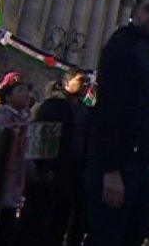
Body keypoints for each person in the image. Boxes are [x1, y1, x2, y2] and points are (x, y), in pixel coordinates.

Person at [85, 0, 149, 246]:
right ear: (134, 13)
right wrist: (111, 170)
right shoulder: (122, 45)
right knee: (108, 235)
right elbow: (110, 108)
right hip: (118, 166)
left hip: (140, 166)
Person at [16, 69, 92, 246]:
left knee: (58, 224)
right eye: (81, 81)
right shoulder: (52, 106)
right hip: (50, 174)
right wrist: (43, 168)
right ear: (67, 83)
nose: (86, 85)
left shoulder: (83, 109)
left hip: (71, 174)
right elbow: (41, 139)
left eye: (87, 82)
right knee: (37, 223)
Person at [0, 67, 32, 246]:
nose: (26, 94)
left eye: (27, 90)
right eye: (20, 90)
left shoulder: (25, 117)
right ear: (8, 96)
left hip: (13, 184)